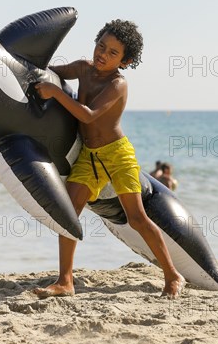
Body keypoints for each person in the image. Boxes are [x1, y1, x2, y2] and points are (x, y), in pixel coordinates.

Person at [33, 19, 185, 298]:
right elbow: (48, 71)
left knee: (137, 218)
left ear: (125, 61)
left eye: (112, 52)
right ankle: (65, 281)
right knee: (68, 212)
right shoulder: (82, 68)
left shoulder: (118, 84)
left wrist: (55, 93)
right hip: (89, 156)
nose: (102, 54)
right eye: (101, 46)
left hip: (118, 155)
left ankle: (172, 274)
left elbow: (88, 115)